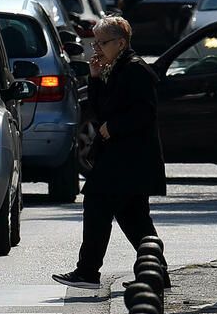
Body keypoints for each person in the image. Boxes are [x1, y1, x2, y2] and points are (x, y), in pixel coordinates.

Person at [52, 17, 168, 290]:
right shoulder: (113, 68)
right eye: (95, 42)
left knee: (98, 205)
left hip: (129, 159)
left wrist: (113, 127)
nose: (97, 48)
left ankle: (88, 272)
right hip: (119, 158)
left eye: (102, 43)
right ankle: (157, 275)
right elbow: (100, 110)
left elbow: (145, 112)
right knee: (134, 217)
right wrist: (94, 78)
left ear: (121, 43)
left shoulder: (135, 69)